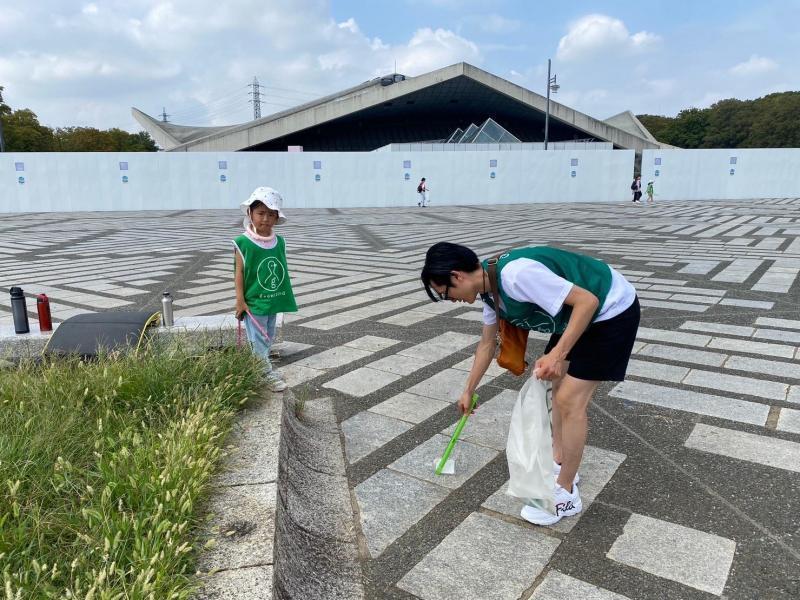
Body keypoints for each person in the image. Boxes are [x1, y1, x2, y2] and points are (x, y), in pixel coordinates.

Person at [420, 242, 639, 525]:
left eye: (445, 293)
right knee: (556, 388)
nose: (451, 300)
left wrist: (557, 354)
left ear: (457, 276)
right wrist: (468, 390)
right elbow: (487, 344)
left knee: (570, 400)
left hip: (611, 310)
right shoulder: (489, 292)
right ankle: (560, 462)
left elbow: (588, 301)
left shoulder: (516, 275)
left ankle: (566, 493)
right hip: (579, 317)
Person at [234, 186, 298, 392]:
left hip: (273, 298)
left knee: (268, 335)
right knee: (258, 337)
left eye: (272, 214)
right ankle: (263, 373)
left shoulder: (279, 242)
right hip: (254, 301)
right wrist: (240, 301)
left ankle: (262, 367)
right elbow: (239, 273)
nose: (266, 219)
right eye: (261, 213)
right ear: (250, 213)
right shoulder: (243, 242)